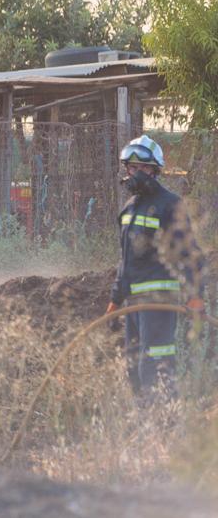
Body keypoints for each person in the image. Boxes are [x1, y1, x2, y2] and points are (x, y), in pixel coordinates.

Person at [106, 134, 207, 404]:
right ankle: (145, 427)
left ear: (155, 171)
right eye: (131, 167)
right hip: (133, 303)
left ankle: (167, 425)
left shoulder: (169, 204)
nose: (136, 173)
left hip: (160, 302)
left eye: (143, 168)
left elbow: (190, 255)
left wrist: (195, 294)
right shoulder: (128, 210)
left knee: (155, 366)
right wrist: (116, 299)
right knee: (133, 369)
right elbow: (125, 260)